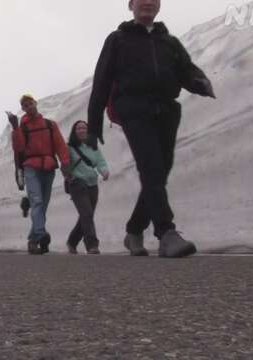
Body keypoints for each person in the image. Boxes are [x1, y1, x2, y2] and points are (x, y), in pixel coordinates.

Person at [87, 0, 215, 258]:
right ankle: (166, 233)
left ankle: (134, 230)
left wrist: (199, 82)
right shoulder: (118, 39)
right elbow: (101, 81)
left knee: (159, 173)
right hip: (134, 109)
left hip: (166, 111)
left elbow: (186, 70)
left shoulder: (170, 42)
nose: (148, 2)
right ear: (130, 5)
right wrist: (93, 125)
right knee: (152, 168)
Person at [6, 94, 70, 254]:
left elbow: (60, 146)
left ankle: (32, 241)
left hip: (48, 167)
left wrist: (66, 164)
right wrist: (15, 128)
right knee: (37, 202)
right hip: (31, 167)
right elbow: (19, 148)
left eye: (30, 103)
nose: (29, 106)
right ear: (23, 109)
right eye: (25, 105)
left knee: (42, 206)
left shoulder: (50, 125)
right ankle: (41, 234)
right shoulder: (23, 128)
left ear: (36, 103)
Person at [65, 121, 110, 255]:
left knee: (87, 215)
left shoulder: (93, 147)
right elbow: (64, 162)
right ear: (74, 131)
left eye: (84, 128)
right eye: (78, 128)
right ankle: (92, 245)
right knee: (87, 214)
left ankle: (72, 242)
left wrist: (104, 171)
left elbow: (100, 162)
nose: (82, 130)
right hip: (77, 182)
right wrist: (68, 175)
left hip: (92, 183)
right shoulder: (69, 147)